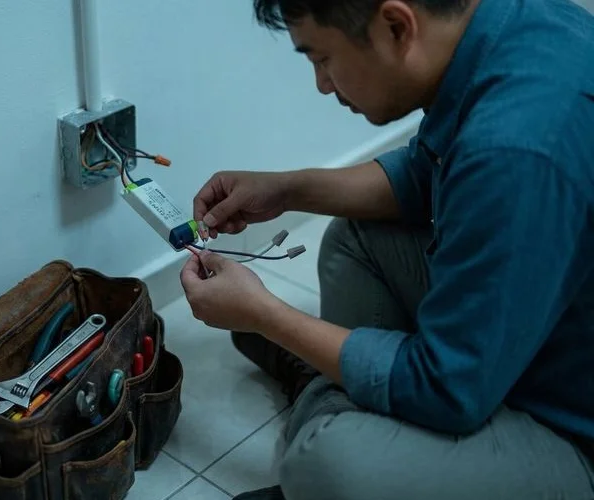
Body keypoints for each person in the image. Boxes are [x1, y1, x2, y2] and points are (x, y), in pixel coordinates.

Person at [178, 0, 594, 498]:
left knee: (327, 465)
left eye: (322, 58)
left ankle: (323, 397)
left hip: (570, 422)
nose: (322, 85)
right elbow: (424, 174)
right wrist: (287, 189)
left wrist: (265, 315)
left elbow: (448, 389)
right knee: (355, 239)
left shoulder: (514, 148)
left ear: (397, 26)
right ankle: (342, 390)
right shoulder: (512, 22)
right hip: (541, 329)